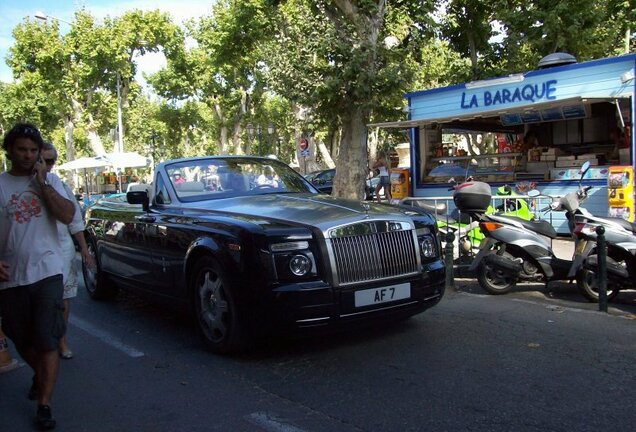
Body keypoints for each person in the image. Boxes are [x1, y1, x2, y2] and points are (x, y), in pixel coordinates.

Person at [0, 123, 75, 430]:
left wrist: (42, 183)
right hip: (11, 276)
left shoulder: (50, 181)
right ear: (9, 150)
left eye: (33, 151)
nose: (28, 156)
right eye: (22, 150)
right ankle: (40, 374)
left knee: (47, 339)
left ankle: (44, 403)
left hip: (47, 270)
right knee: (19, 337)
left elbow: (68, 215)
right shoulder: (1, 185)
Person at [41, 142, 94, 360]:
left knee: (63, 298)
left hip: (62, 248)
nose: (48, 165)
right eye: (44, 160)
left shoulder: (60, 185)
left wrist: (84, 249)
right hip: (37, 253)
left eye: (52, 160)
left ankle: (61, 340)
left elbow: (74, 221)